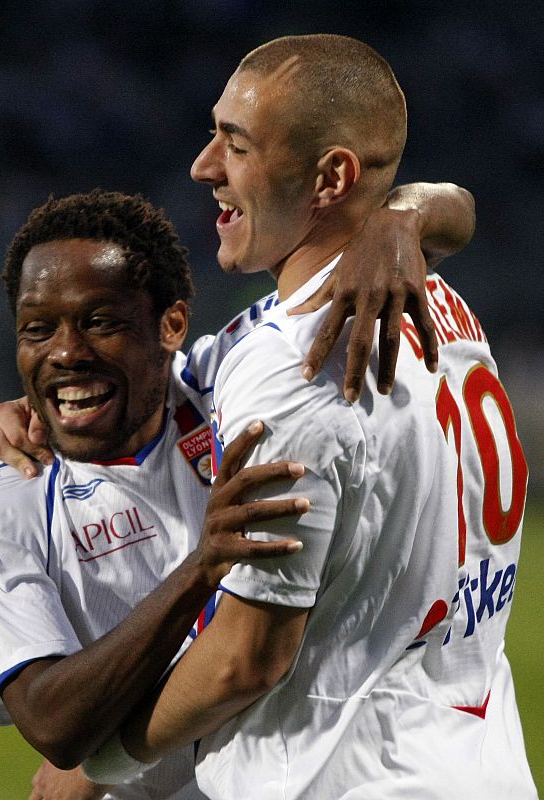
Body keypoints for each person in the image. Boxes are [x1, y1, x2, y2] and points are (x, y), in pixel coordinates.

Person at [82, 35, 536, 798]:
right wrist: (407, 212)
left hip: (348, 779)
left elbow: (247, 658)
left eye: (236, 145)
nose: (203, 166)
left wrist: (104, 761)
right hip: (480, 764)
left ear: (330, 178)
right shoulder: (438, 300)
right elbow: (454, 211)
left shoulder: (294, 367)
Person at [0, 189, 315, 800]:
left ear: (172, 325)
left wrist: (398, 229)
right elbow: (54, 723)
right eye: (38, 329)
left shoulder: (230, 378)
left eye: (100, 322)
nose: (66, 352)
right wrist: (202, 567)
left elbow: (423, 224)